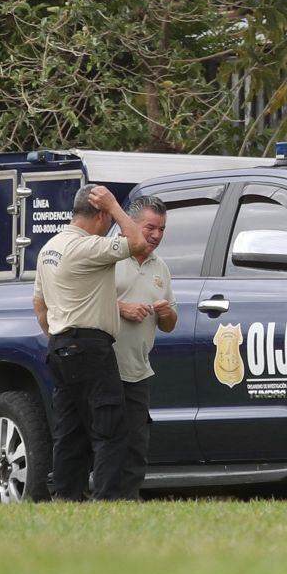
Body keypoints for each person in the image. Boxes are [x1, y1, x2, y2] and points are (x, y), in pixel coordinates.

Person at [32, 184, 149, 500]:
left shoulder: (49, 249)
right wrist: (116, 207)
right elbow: (137, 243)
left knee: (70, 432)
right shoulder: (88, 247)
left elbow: (39, 304)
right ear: (100, 215)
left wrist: (58, 336)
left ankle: (67, 499)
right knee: (109, 428)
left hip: (59, 346)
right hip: (90, 347)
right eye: (108, 218)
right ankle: (107, 501)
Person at [114, 196, 176, 499]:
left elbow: (169, 324)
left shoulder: (160, 267)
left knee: (136, 441)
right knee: (102, 437)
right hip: (104, 365)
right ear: (129, 223)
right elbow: (81, 302)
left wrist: (167, 314)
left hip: (138, 369)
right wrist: (121, 308)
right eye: (150, 227)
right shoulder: (108, 256)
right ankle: (96, 497)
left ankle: (129, 500)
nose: (156, 235)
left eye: (162, 229)